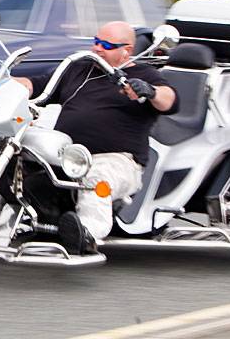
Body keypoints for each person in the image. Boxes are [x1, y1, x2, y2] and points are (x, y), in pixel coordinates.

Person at [14, 21, 178, 254]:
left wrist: (150, 91)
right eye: (96, 42)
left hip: (118, 161)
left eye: (107, 45)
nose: (98, 48)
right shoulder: (79, 69)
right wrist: (10, 83)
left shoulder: (143, 75)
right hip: (69, 157)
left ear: (126, 51)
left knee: (96, 178)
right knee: (11, 163)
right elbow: (40, 85)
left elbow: (170, 100)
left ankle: (87, 234)